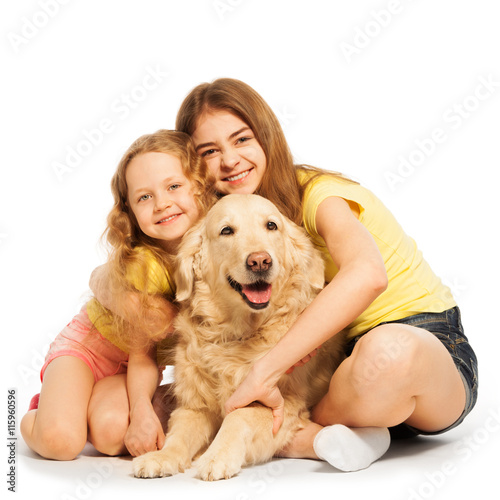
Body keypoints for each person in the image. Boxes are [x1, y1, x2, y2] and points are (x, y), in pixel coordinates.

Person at [173, 78, 478, 472]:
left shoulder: (319, 194)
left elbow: (368, 275)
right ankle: (335, 436)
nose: (230, 160)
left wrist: (265, 372)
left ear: (267, 137)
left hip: (422, 343)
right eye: (210, 151)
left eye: (242, 139)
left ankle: (307, 430)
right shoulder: (227, 222)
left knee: (387, 354)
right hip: (336, 364)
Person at [20, 130, 216, 460]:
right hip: (85, 352)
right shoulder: (144, 264)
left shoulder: (217, 252)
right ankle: (36, 414)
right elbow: (143, 354)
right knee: (61, 443)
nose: (162, 203)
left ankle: (81, 405)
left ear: (199, 185)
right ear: (130, 211)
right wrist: (141, 410)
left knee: (112, 440)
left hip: (127, 371)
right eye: (144, 197)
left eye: (173, 186)